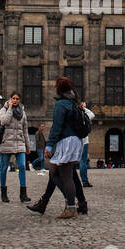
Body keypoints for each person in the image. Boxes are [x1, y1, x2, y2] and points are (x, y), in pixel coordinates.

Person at [35, 78, 85, 219]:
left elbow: (56, 127)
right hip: (75, 140)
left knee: (66, 175)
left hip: (66, 141)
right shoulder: (73, 102)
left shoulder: (61, 104)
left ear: (59, 89)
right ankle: (73, 203)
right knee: (55, 172)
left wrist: (49, 145)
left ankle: (71, 207)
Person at [0, 93, 31, 202]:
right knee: (3, 168)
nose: (15, 100)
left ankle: (23, 194)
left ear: (20, 100)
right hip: (6, 142)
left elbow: (25, 130)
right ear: (10, 99)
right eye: (13, 98)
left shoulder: (23, 113)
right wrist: (10, 108)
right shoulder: (3, 110)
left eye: (17, 99)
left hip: (19, 143)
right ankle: (3, 193)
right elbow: (4, 121)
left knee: (21, 166)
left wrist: (28, 146)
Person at [78, 102, 94, 187]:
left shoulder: (76, 115)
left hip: (76, 140)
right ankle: (84, 181)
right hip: (84, 141)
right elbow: (93, 114)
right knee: (83, 161)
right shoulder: (86, 115)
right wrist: (84, 108)